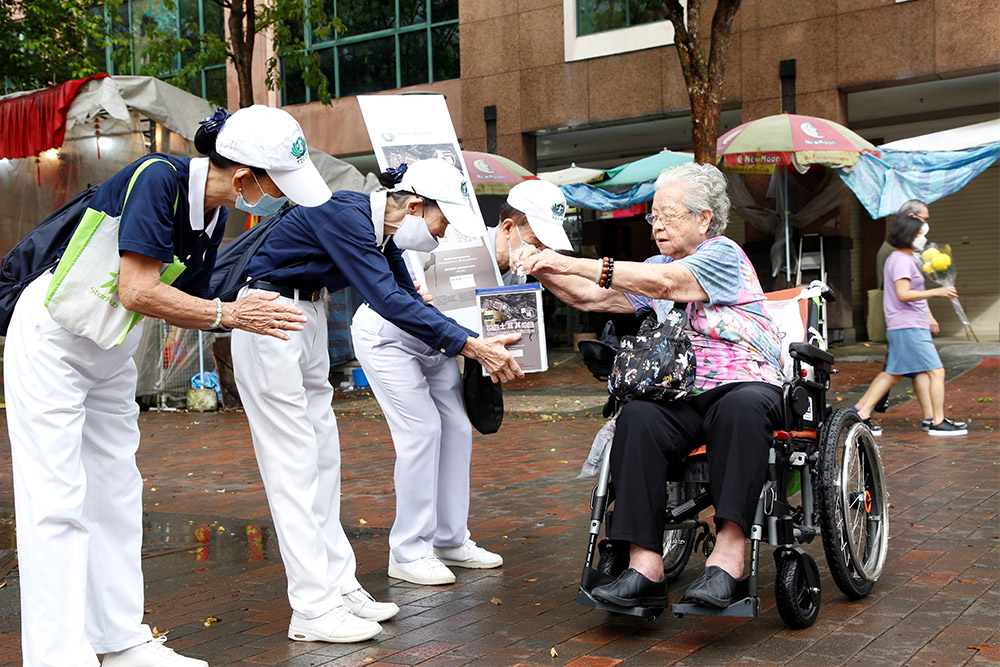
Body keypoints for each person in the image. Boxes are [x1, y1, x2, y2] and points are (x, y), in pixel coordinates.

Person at [4, 105, 330, 667]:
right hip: (56, 336)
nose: (280, 197)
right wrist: (229, 314)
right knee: (56, 499)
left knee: (116, 494)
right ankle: (57, 656)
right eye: (278, 183)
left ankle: (120, 639)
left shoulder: (212, 216)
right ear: (245, 175)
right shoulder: (158, 178)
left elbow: (185, 301)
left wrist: (233, 305)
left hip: (111, 346)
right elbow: (137, 290)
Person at [230, 158, 524, 643]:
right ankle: (312, 607)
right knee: (294, 467)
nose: (444, 234)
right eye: (442, 221)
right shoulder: (345, 215)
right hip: (271, 314)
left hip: (306, 312)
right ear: (414, 207)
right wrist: (471, 346)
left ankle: (339, 586)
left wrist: (471, 339)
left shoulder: (379, 234)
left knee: (323, 462)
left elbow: (405, 299)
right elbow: (388, 301)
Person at [513, 162, 785, 609]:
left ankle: (728, 560)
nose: (657, 225)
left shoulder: (723, 254)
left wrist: (569, 260)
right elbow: (589, 295)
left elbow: (665, 284)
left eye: (668, 215)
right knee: (637, 416)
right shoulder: (657, 264)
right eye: (653, 216)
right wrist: (539, 264)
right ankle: (644, 567)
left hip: (743, 383)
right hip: (681, 392)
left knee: (742, 409)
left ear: (703, 218)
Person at [349, 178, 571, 587]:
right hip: (390, 338)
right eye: (536, 241)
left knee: (455, 430)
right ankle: (408, 550)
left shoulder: (518, 274)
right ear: (508, 228)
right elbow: (395, 279)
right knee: (421, 431)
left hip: (442, 347)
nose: (539, 252)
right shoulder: (453, 236)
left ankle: (449, 540)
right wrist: (414, 291)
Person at [851, 213, 967, 436]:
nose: (922, 238)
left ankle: (860, 412)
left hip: (905, 325)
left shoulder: (900, 258)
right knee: (937, 371)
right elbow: (903, 294)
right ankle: (937, 422)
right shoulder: (901, 260)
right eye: (918, 234)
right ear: (908, 235)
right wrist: (938, 292)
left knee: (893, 374)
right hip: (908, 326)